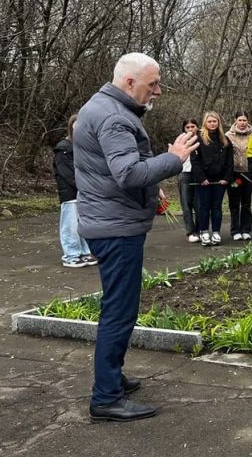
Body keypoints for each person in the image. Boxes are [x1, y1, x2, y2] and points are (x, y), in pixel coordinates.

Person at [74, 52, 198, 422]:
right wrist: (173, 158)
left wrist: (151, 190)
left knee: (118, 307)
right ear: (130, 83)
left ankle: (112, 378)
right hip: (116, 228)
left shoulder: (100, 107)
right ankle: (106, 397)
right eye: (153, 84)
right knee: (120, 310)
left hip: (109, 220)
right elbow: (127, 174)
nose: (158, 90)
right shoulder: (114, 117)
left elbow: (111, 172)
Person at [54, 114, 96, 267]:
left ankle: (84, 252)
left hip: (83, 192)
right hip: (70, 193)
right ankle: (71, 254)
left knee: (83, 224)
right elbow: (67, 174)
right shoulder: (63, 149)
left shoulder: (82, 148)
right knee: (70, 225)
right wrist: (84, 185)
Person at [192, 111, 232, 246]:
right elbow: (195, 161)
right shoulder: (199, 139)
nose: (212, 124)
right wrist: (202, 178)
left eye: (215, 121)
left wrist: (226, 178)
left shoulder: (225, 140)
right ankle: (204, 231)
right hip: (204, 181)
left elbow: (229, 162)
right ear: (205, 123)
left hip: (219, 181)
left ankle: (216, 231)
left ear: (218, 122)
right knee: (204, 207)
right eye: (209, 121)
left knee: (216, 207)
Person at [226, 111, 252, 241]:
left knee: (247, 203)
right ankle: (235, 230)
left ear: (248, 121)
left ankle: (246, 229)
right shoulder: (227, 136)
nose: (242, 123)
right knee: (234, 202)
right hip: (235, 175)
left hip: (248, 174)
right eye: (240, 120)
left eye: (244, 120)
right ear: (235, 120)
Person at [178, 119, 201, 243]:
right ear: (184, 129)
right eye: (188, 127)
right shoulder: (180, 141)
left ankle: (199, 229)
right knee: (186, 204)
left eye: (193, 126)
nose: (191, 129)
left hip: (199, 174)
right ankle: (190, 231)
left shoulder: (202, 139)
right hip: (185, 173)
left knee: (199, 204)